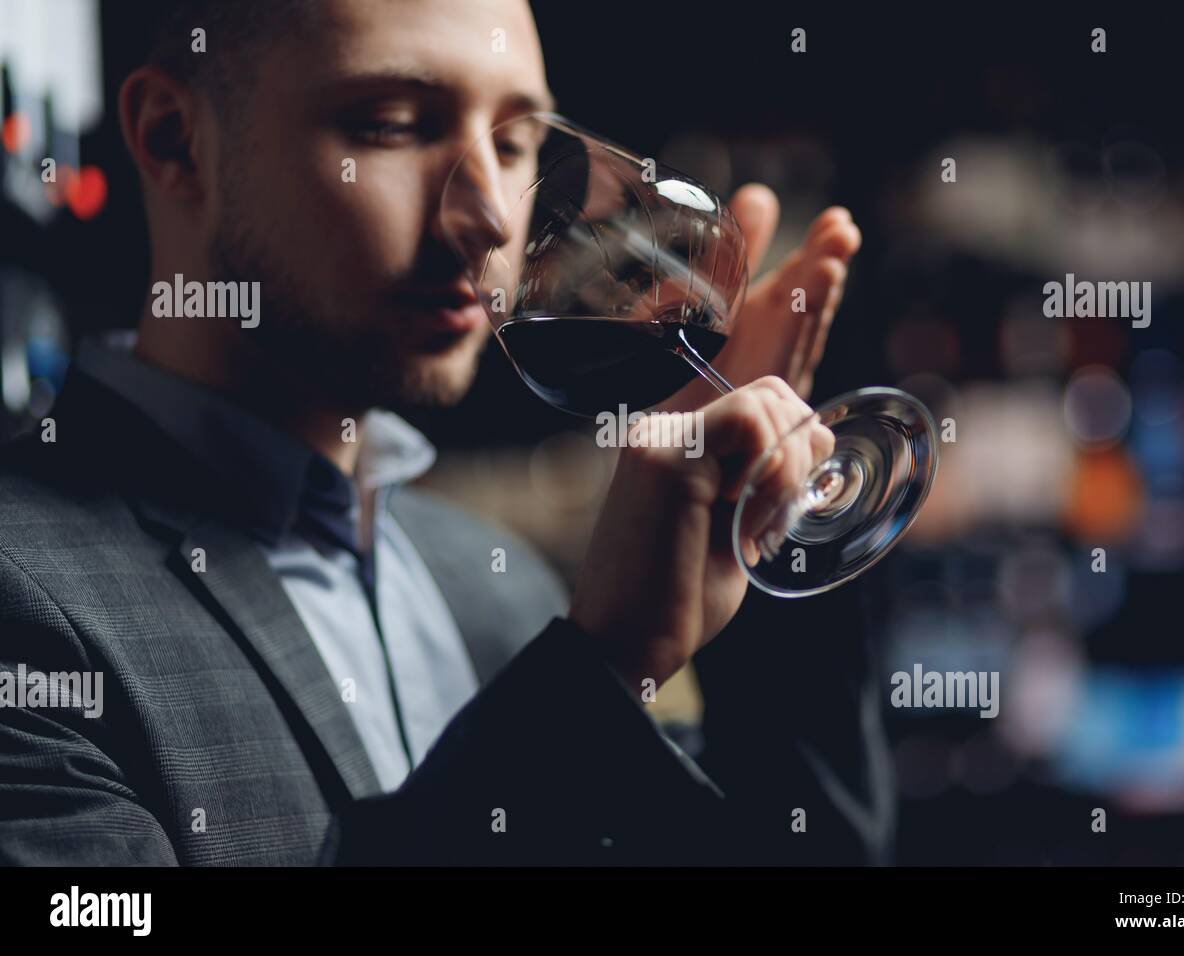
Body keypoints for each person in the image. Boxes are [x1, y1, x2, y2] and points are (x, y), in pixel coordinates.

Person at [0, 0, 877, 865]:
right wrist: (595, 674)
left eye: (514, 142)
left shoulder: (499, 588)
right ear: (173, 139)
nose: (492, 218)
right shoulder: (25, 606)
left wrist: (762, 526)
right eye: (391, 126)